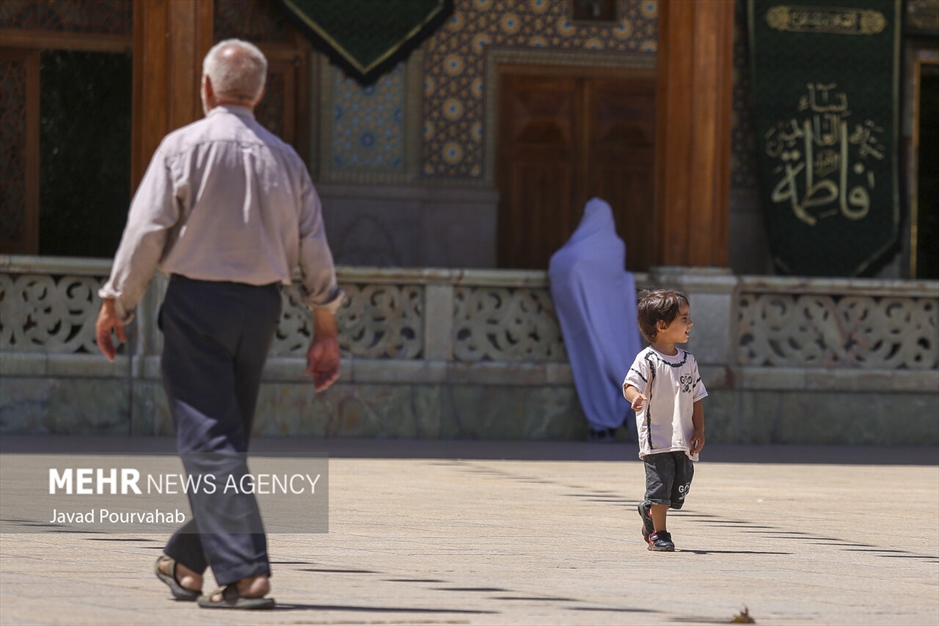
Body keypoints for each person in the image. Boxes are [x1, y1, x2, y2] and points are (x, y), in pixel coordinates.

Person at [95, 38, 343, 609]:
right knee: (224, 440)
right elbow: (315, 250)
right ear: (260, 93)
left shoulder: (183, 147)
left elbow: (146, 234)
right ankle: (186, 561)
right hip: (260, 312)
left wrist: (117, 302)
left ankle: (246, 575)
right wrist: (325, 329)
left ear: (206, 88)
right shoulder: (285, 159)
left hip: (197, 306)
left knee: (210, 440)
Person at [549, 197, 642, 442]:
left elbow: (563, 265)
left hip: (591, 321)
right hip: (611, 323)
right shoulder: (614, 245)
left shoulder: (581, 249)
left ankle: (603, 423)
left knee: (592, 366)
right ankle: (611, 421)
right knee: (608, 364)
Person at [622, 289, 706, 551]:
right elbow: (629, 384)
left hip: (683, 437)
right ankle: (659, 533)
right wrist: (635, 397)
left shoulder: (688, 361)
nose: (689, 323)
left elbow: (697, 397)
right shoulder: (647, 359)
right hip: (657, 438)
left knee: (678, 485)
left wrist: (700, 430)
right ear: (661, 325)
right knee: (660, 487)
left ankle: (649, 511)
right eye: (683, 318)